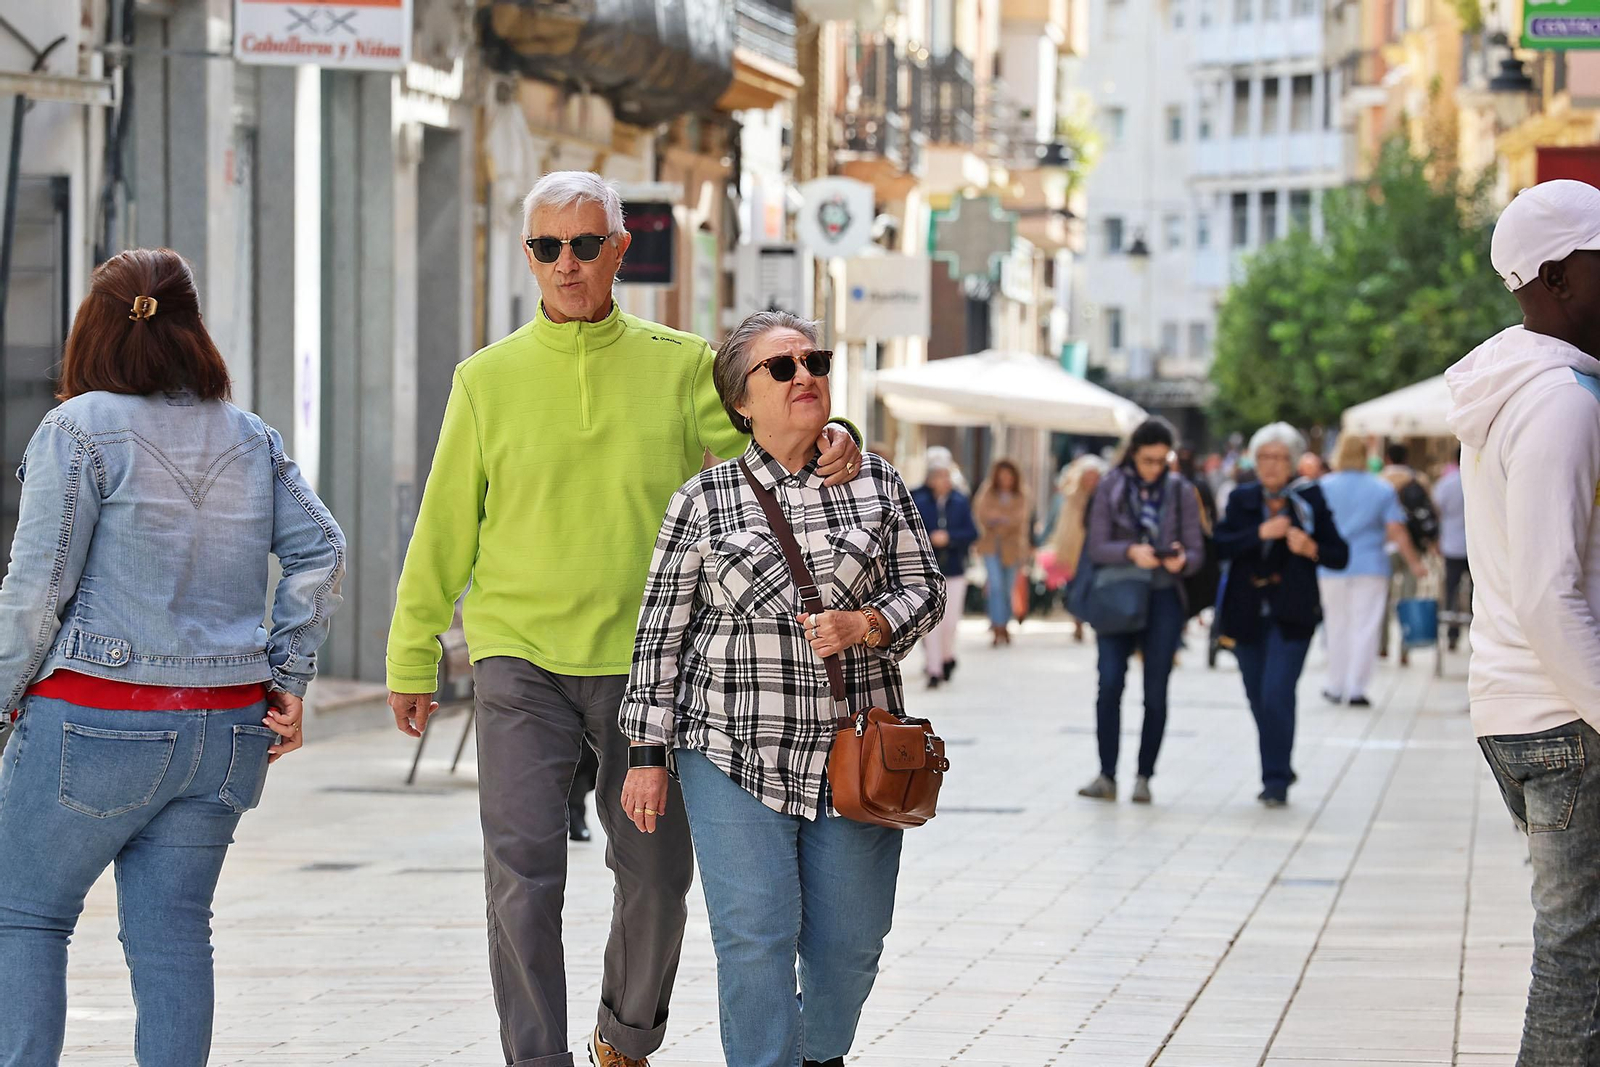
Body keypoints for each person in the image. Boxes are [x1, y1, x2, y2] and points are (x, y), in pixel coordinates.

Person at [384, 173, 863, 1067]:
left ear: (618, 250)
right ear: (528, 256)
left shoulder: (683, 366)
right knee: (521, 877)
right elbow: (443, 528)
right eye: (546, 247)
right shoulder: (484, 380)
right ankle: (536, 1056)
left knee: (655, 874)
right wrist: (412, 653)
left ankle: (625, 1035)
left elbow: (771, 461)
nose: (566, 264)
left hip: (653, 665)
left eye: (584, 244)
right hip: (518, 657)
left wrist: (837, 440)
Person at [0, 248, 345, 1065]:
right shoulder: (249, 436)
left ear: (94, 324)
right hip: (224, 733)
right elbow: (321, 548)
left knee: (25, 915)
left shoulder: (76, 429)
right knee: (174, 938)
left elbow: (37, 588)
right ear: (192, 326)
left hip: (94, 725)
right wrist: (286, 675)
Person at [619, 311, 944, 1067]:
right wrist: (646, 752)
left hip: (856, 755)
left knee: (850, 945)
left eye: (814, 361)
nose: (805, 376)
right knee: (754, 937)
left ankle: (816, 1055)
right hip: (730, 748)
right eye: (781, 367)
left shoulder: (877, 482)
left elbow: (925, 588)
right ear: (741, 402)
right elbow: (659, 633)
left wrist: (867, 621)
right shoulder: (703, 501)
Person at [1446, 179, 1600, 1064]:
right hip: (1566, 718)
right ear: (1558, 278)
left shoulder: (1519, 391)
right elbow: (1550, 591)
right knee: (1578, 960)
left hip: (1522, 711)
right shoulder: (1561, 403)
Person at [1214, 424, 1349, 807]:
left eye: (1278, 458)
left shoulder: (1309, 499)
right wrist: (1260, 532)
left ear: (1292, 463)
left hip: (1292, 613)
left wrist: (1311, 548)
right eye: (1263, 458)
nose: (1270, 466)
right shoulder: (1241, 498)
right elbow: (1220, 545)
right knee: (1258, 697)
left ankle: (1274, 780)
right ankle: (1280, 763)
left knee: (1276, 694)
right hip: (1246, 613)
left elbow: (1340, 554)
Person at [1077, 418, 1204, 805]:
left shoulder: (1180, 490)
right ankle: (1107, 774)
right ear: (1134, 453)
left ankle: (1145, 776)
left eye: (1161, 461)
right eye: (1148, 460)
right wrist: (1130, 551)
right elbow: (1097, 547)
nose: (1154, 468)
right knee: (1110, 683)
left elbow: (1197, 550)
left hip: (1164, 595)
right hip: (1117, 595)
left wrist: (1182, 561)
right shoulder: (1110, 487)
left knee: (1156, 691)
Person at [1317, 435, 1427, 707]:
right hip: (1370, 564)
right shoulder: (1381, 489)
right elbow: (1396, 529)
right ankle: (1356, 688)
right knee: (1365, 627)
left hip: (1331, 565)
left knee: (1336, 624)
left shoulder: (1323, 487)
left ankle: (1335, 683)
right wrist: (1414, 562)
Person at [912, 447, 979, 687]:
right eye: (939, 475)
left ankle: (946, 657)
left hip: (954, 569)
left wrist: (949, 538)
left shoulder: (960, 502)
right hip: (927, 572)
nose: (944, 480)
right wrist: (931, 538)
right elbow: (910, 533)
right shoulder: (918, 500)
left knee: (950, 624)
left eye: (947, 475)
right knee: (931, 623)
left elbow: (972, 533)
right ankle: (934, 669)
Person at [1377, 443, 1439, 664]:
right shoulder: (1419, 479)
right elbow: (1432, 512)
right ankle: (1405, 646)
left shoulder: (1379, 480)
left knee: (1382, 598)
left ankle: (1382, 645)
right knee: (1408, 596)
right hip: (1413, 547)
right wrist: (1433, 544)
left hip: (1385, 546)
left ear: (1387, 458)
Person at [1043, 454, 1107, 642]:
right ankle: (1077, 621)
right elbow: (1058, 523)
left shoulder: (1104, 498)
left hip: (1094, 548)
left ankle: (1089, 619)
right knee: (1075, 587)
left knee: (1091, 584)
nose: (1090, 480)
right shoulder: (1069, 497)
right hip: (1072, 548)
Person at [973, 459, 1032, 646]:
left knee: (1007, 589)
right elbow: (981, 514)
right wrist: (1000, 519)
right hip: (991, 546)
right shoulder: (987, 492)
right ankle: (997, 626)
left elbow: (1019, 519)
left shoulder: (1021, 495)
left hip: (1013, 548)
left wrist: (999, 519)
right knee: (995, 586)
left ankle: (1004, 623)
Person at [1431, 449, 1469, 652]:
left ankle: (1452, 634)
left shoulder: (1446, 483)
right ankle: (1474, 634)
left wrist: (1436, 541)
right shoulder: (1479, 478)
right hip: (1475, 547)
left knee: (1451, 591)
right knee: (1476, 594)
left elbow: (1435, 511)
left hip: (1451, 545)